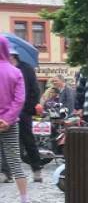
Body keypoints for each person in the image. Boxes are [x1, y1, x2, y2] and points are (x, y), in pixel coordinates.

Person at [0, 36, 32, 203]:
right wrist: (7, 119)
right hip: (10, 124)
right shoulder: (15, 72)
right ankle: (25, 202)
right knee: (15, 162)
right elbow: (19, 100)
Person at [7, 47, 44, 181]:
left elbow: (35, 90)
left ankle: (36, 169)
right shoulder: (4, 68)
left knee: (28, 140)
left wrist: (27, 108)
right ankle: (6, 172)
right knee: (6, 142)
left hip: (23, 110)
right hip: (7, 111)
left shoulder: (26, 68)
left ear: (12, 55)